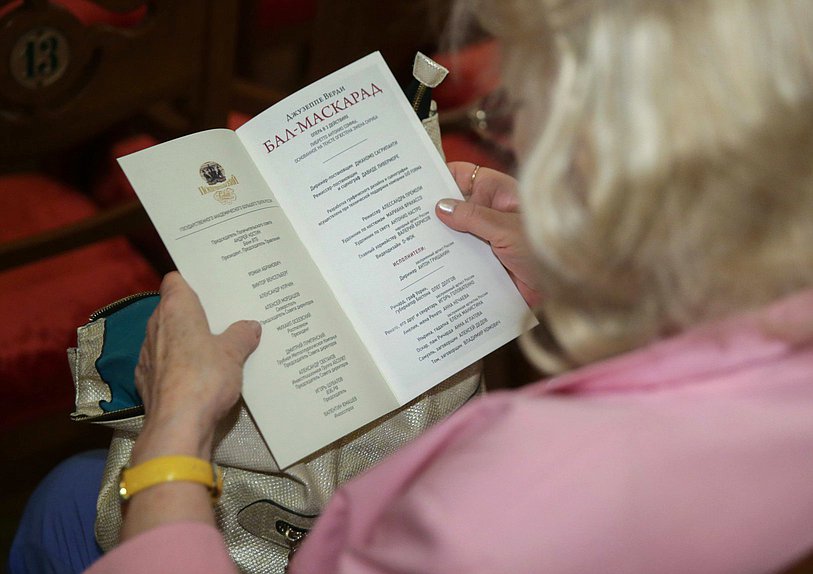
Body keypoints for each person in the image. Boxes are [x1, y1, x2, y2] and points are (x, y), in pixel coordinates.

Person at [11, 0, 813, 572]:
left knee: (64, 503)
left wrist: (177, 434)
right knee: (70, 492)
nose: (518, 131)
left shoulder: (506, 510)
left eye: (518, 105)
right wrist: (577, 265)